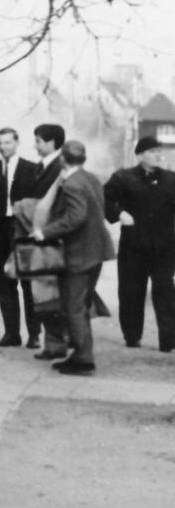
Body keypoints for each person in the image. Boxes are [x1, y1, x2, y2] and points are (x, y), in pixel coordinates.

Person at [35, 140, 116, 375]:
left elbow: (76, 217)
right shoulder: (91, 178)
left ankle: (83, 359)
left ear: (62, 159)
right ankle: (82, 354)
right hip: (97, 251)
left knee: (73, 307)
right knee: (81, 305)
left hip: (79, 254)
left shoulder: (71, 184)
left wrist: (45, 232)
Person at [103, 137, 175, 351]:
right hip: (133, 247)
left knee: (165, 291)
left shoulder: (171, 180)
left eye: (158, 151)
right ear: (140, 154)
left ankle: (168, 340)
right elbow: (104, 198)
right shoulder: (123, 178)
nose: (157, 155)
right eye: (152, 151)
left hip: (164, 247)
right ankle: (132, 336)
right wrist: (119, 213)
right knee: (131, 291)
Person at [0, 127, 45, 347]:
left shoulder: (33, 169)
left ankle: (34, 334)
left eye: (7, 143)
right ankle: (11, 333)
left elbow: (40, 202)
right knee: (5, 283)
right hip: (1, 231)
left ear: (17, 142)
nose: (3, 147)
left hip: (25, 230)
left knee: (29, 284)